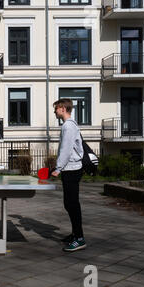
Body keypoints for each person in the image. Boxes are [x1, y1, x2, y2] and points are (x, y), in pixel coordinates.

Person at [51, 99, 86, 252]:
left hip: (71, 169)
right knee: (69, 203)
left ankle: (79, 239)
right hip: (70, 168)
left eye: (56, 109)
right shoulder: (69, 125)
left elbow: (66, 149)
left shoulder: (68, 126)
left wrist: (58, 168)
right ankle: (75, 234)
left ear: (63, 108)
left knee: (72, 204)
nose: (54, 111)